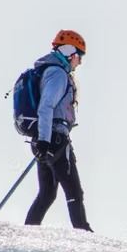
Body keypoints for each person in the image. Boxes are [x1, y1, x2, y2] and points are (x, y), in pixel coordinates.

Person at [23, 30, 92, 231]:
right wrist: (45, 140)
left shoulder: (50, 71)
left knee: (47, 193)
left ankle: (28, 233)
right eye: (80, 56)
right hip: (54, 139)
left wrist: (42, 141)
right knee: (74, 192)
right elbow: (46, 106)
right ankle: (84, 234)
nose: (79, 62)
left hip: (44, 138)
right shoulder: (57, 73)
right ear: (69, 51)